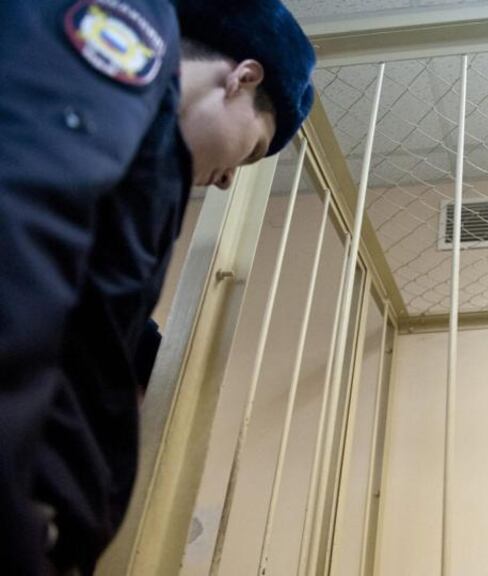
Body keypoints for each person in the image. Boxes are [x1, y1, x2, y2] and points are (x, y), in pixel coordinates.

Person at [0, 0, 315, 573]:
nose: (223, 181)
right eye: (248, 153)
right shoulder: (127, 27)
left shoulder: (143, 160)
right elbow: (21, 231)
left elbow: (80, 302)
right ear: (242, 79)